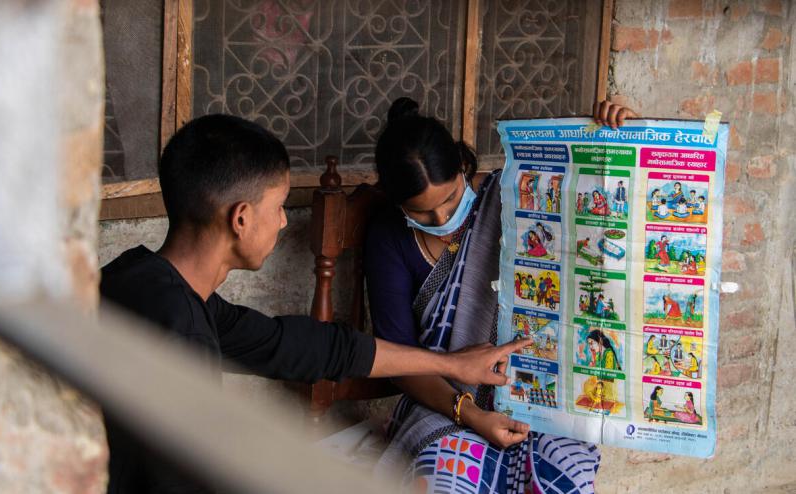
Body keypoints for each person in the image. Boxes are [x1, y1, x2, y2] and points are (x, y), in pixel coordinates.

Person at [100, 114, 527, 494]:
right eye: (279, 207)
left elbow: (305, 346)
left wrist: (451, 366)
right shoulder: (181, 332)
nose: (285, 221)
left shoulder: (150, 282)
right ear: (242, 218)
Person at [364, 97, 635, 493]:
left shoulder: (513, 196)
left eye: (450, 199)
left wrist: (617, 136)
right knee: (449, 481)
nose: (441, 219)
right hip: (444, 402)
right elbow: (400, 358)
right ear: (396, 201)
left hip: (540, 402)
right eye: (421, 213)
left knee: (560, 479)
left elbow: (599, 209)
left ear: (462, 165)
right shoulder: (390, 238)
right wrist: (470, 414)